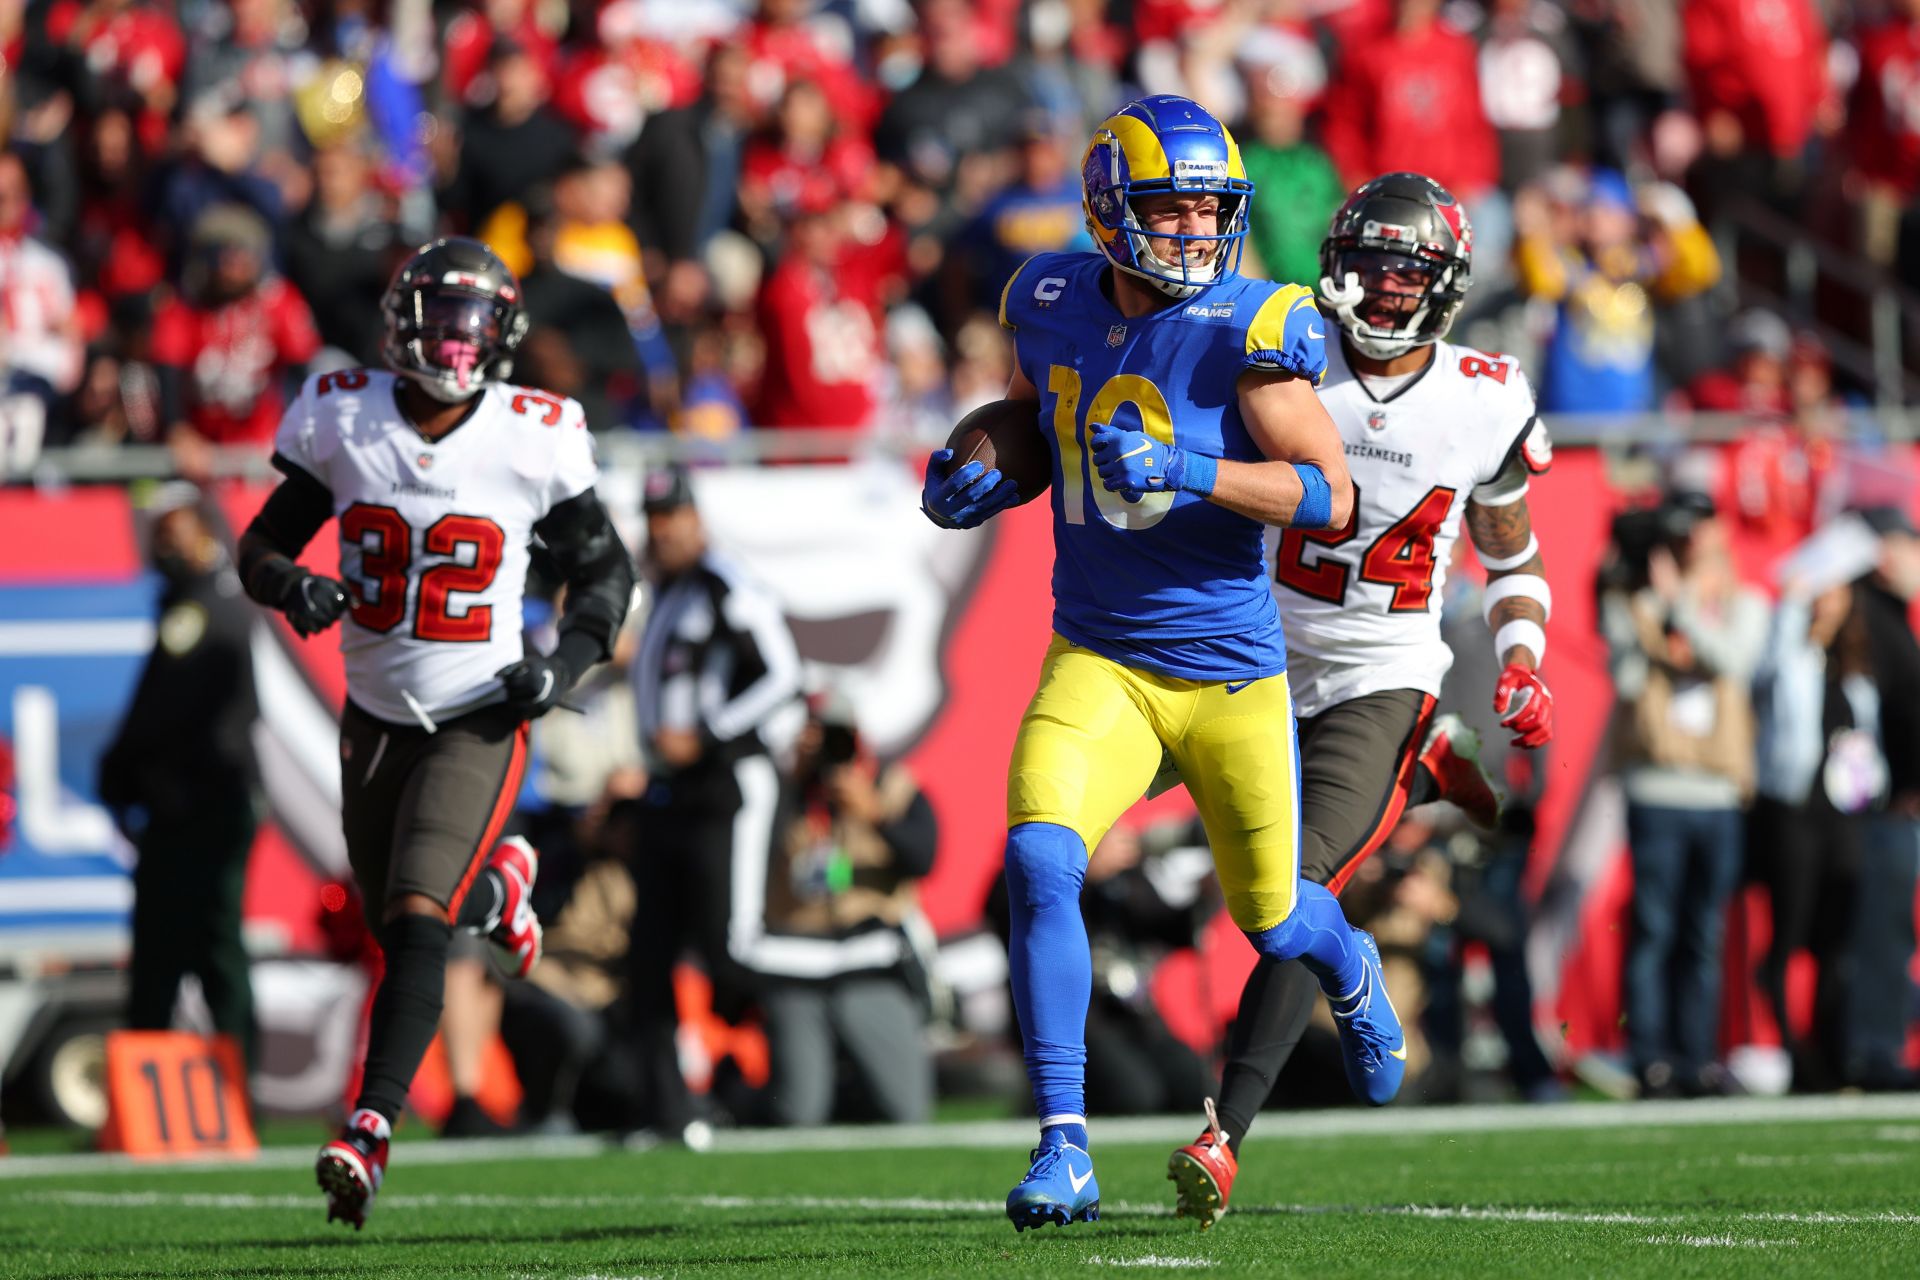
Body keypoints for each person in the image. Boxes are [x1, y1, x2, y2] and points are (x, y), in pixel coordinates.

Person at [918, 94, 1401, 1233]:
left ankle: (1352, 966)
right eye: (1169, 207)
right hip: (1103, 656)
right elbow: (1041, 415)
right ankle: (1064, 1145)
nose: (1192, 229)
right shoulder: (1044, 298)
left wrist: (1191, 465)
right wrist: (984, 457)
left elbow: (1332, 494)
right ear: (1107, 210)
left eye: (1207, 208)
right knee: (1040, 859)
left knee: (1277, 918)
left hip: (1231, 674)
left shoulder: (1255, 325)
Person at [1165, 173, 1558, 1228]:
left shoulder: (1484, 393)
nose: (1386, 292)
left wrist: (1523, 655)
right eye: (1372, 265)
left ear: (1447, 284)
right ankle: (1410, 822)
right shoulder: (1282, 346)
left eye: (1410, 271)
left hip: (1380, 670)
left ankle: (1224, 1132)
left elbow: (1510, 553)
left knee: (1288, 889)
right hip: (1243, 656)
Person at [234, 237, 635, 1227]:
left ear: (500, 336)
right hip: (374, 715)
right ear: (401, 323)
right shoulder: (346, 416)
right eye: (439, 319)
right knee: (398, 912)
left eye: (472, 323)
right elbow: (260, 546)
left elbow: (606, 575)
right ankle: (504, 887)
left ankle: (368, 1126)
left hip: (479, 710)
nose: (453, 343)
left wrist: (562, 664)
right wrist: (295, 586)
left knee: (416, 912)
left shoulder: (533, 432)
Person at [625, 464, 803, 1144]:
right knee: (650, 955)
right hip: (667, 791)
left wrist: (706, 734)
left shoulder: (723, 584)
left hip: (724, 785)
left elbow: (784, 672)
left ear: (697, 519)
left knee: (730, 948)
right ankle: (668, 1109)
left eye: (672, 515)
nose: (662, 529)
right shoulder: (665, 594)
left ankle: (806, 1051)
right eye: (654, 518)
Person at [1599, 488, 1768, 1098]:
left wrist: (1683, 607)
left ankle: (1698, 1057)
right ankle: (1650, 1057)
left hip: (1719, 791)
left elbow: (1734, 663)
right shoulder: (1634, 601)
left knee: (1704, 934)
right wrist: (1644, 603)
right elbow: (1623, 679)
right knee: (1654, 927)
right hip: (1657, 784)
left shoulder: (1743, 603)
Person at [98, 489, 261, 1067]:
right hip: (193, 803)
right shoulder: (197, 605)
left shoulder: (203, 612)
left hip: (201, 806)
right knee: (179, 949)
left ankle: (234, 1081)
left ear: (207, 535)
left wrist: (122, 772)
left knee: (201, 948)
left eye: (174, 534)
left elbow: (164, 713)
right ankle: (162, 1085)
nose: (163, 548)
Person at [755, 692, 938, 1127]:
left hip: (868, 963)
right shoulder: (774, 793)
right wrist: (789, 784)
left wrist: (874, 814)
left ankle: (853, 1090)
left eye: (836, 734)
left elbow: (924, 858)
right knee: (797, 1113)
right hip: (797, 967)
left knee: (906, 1110)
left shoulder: (892, 785)